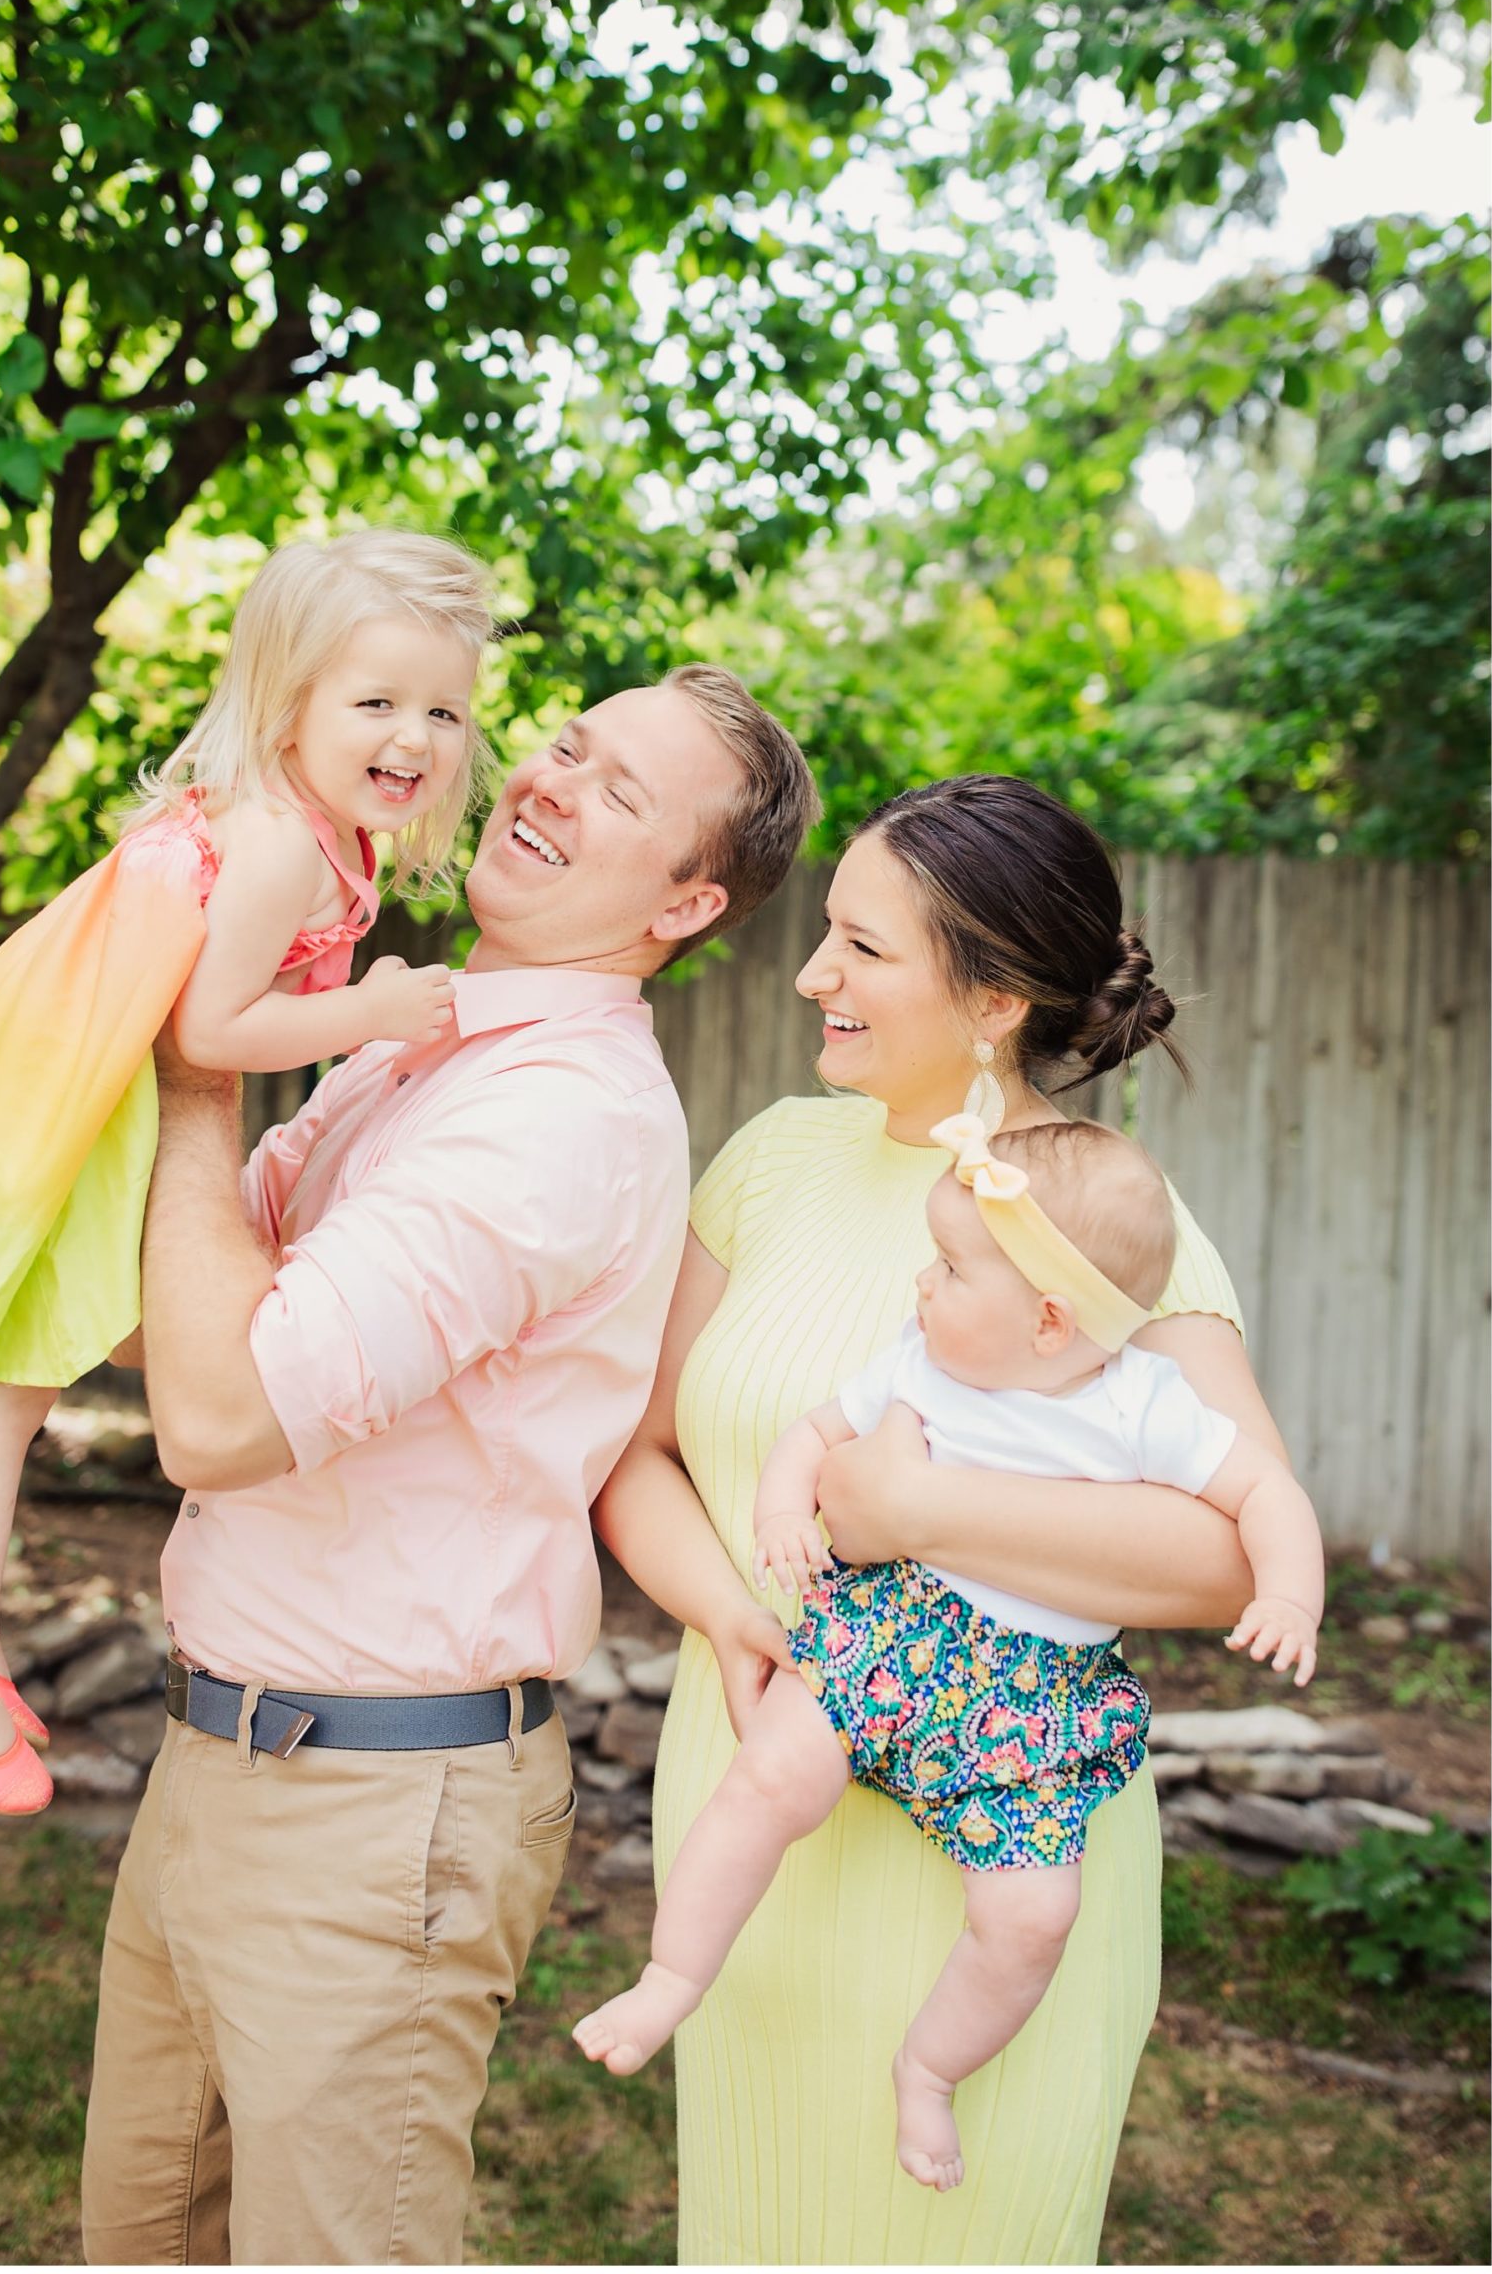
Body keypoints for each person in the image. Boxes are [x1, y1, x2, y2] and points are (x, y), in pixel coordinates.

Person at [79, 662, 821, 2267]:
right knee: (142, 2238)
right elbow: (169, 1325)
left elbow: (216, 1416)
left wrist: (200, 1064)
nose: (552, 781)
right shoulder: (407, 1049)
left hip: (376, 1814)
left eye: (622, 792)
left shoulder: (554, 1119)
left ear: (687, 905)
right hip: (217, 1755)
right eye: (569, 745)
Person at [592, 773, 1303, 2266]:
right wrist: (734, 1615)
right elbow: (635, 1456)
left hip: (1000, 1866)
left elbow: (1235, 1546)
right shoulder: (775, 1159)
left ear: (991, 1000)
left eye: (862, 947)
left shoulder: (1106, 1231)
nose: (811, 975)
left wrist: (922, 1508)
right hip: (761, 1803)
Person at [0, 530, 487, 1817]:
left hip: (95, 1090)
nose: (413, 737)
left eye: (443, 709)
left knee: (91, 1363)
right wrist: (372, 1010)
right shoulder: (281, 847)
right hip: (71, 1101)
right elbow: (208, 1031)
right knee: (6, 1395)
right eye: (375, 702)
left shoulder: (323, 831)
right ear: (284, 702)